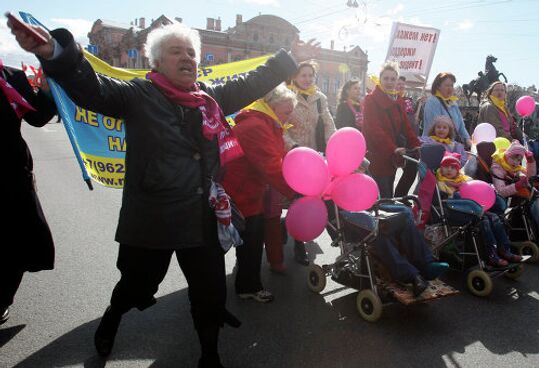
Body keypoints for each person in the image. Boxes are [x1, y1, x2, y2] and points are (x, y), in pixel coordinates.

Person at [11, 21, 298, 367]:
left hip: (203, 216)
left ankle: (210, 356)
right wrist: (55, 53)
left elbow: (250, 81)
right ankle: (113, 317)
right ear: (157, 62)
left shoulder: (210, 96)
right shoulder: (137, 95)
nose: (187, 58)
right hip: (153, 218)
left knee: (209, 293)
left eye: (192, 52)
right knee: (136, 286)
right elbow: (92, 87)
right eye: (176, 52)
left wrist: (287, 60)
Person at [222, 85, 298, 300]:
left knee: (249, 241)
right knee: (248, 241)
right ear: (272, 107)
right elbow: (272, 166)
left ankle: (246, 286)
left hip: (246, 191)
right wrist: (296, 192)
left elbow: (278, 157)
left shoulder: (266, 123)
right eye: (287, 111)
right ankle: (247, 288)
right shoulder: (257, 126)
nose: (290, 116)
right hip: (240, 192)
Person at [2, 62, 57, 326]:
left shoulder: (11, 76)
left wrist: (47, 92)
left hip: (12, 176)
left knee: (20, 241)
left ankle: (2, 300)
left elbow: (37, 117)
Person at [284, 60, 336, 265]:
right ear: (295, 77)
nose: (306, 79)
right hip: (295, 157)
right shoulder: (287, 97)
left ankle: (337, 236)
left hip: (316, 157)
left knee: (326, 196)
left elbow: (329, 125)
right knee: (299, 200)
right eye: (302, 75)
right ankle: (299, 245)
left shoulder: (320, 98)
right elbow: (280, 128)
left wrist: (334, 146)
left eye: (310, 75)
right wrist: (293, 147)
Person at [436, 152, 522, 267]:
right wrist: (456, 189)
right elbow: (447, 200)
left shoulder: (465, 179)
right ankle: (491, 254)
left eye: (453, 167)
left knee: (496, 218)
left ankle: (504, 249)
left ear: (458, 170)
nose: (449, 170)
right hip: (457, 211)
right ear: (440, 168)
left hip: (475, 208)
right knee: (484, 221)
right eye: (446, 167)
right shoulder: (441, 183)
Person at [362, 61, 420, 198]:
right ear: (380, 79)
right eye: (386, 78)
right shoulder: (371, 100)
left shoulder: (397, 99)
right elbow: (374, 129)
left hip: (393, 154)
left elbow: (406, 126)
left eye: (393, 79)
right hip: (377, 153)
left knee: (391, 188)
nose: (389, 82)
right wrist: (392, 148)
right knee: (383, 193)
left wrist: (416, 143)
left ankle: (396, 206)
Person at [491, 140, 539, 239]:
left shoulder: (515, 167)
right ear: (508, 155)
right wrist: (517, 185)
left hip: (516, 191)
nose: (516, 162)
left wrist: (531, 162)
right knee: (534, 197)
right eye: (514, 158)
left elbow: (530, 177)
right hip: (504, 197)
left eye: (519, 160)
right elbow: (501, 192)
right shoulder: (497, 167)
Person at [422, 72, 471, 148]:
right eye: (447, 85)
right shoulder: (433, 101)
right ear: (438, 86)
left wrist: (468, 140)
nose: (450, 88)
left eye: (452, 85)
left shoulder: (453, 103)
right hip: (435, 147)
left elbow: (461, 126)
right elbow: (435, 128)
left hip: (451, 147)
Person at [394, 75, 419, 196]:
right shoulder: (391, 100)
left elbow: (414, 118)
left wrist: (420, 104)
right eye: (398, 84)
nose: (401, 87)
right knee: (391, 173)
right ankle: (390, 199)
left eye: (402, 85)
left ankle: (400, 196)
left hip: (410, 141)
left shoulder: (409, 101)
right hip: (396, 142)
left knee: (411, 170)